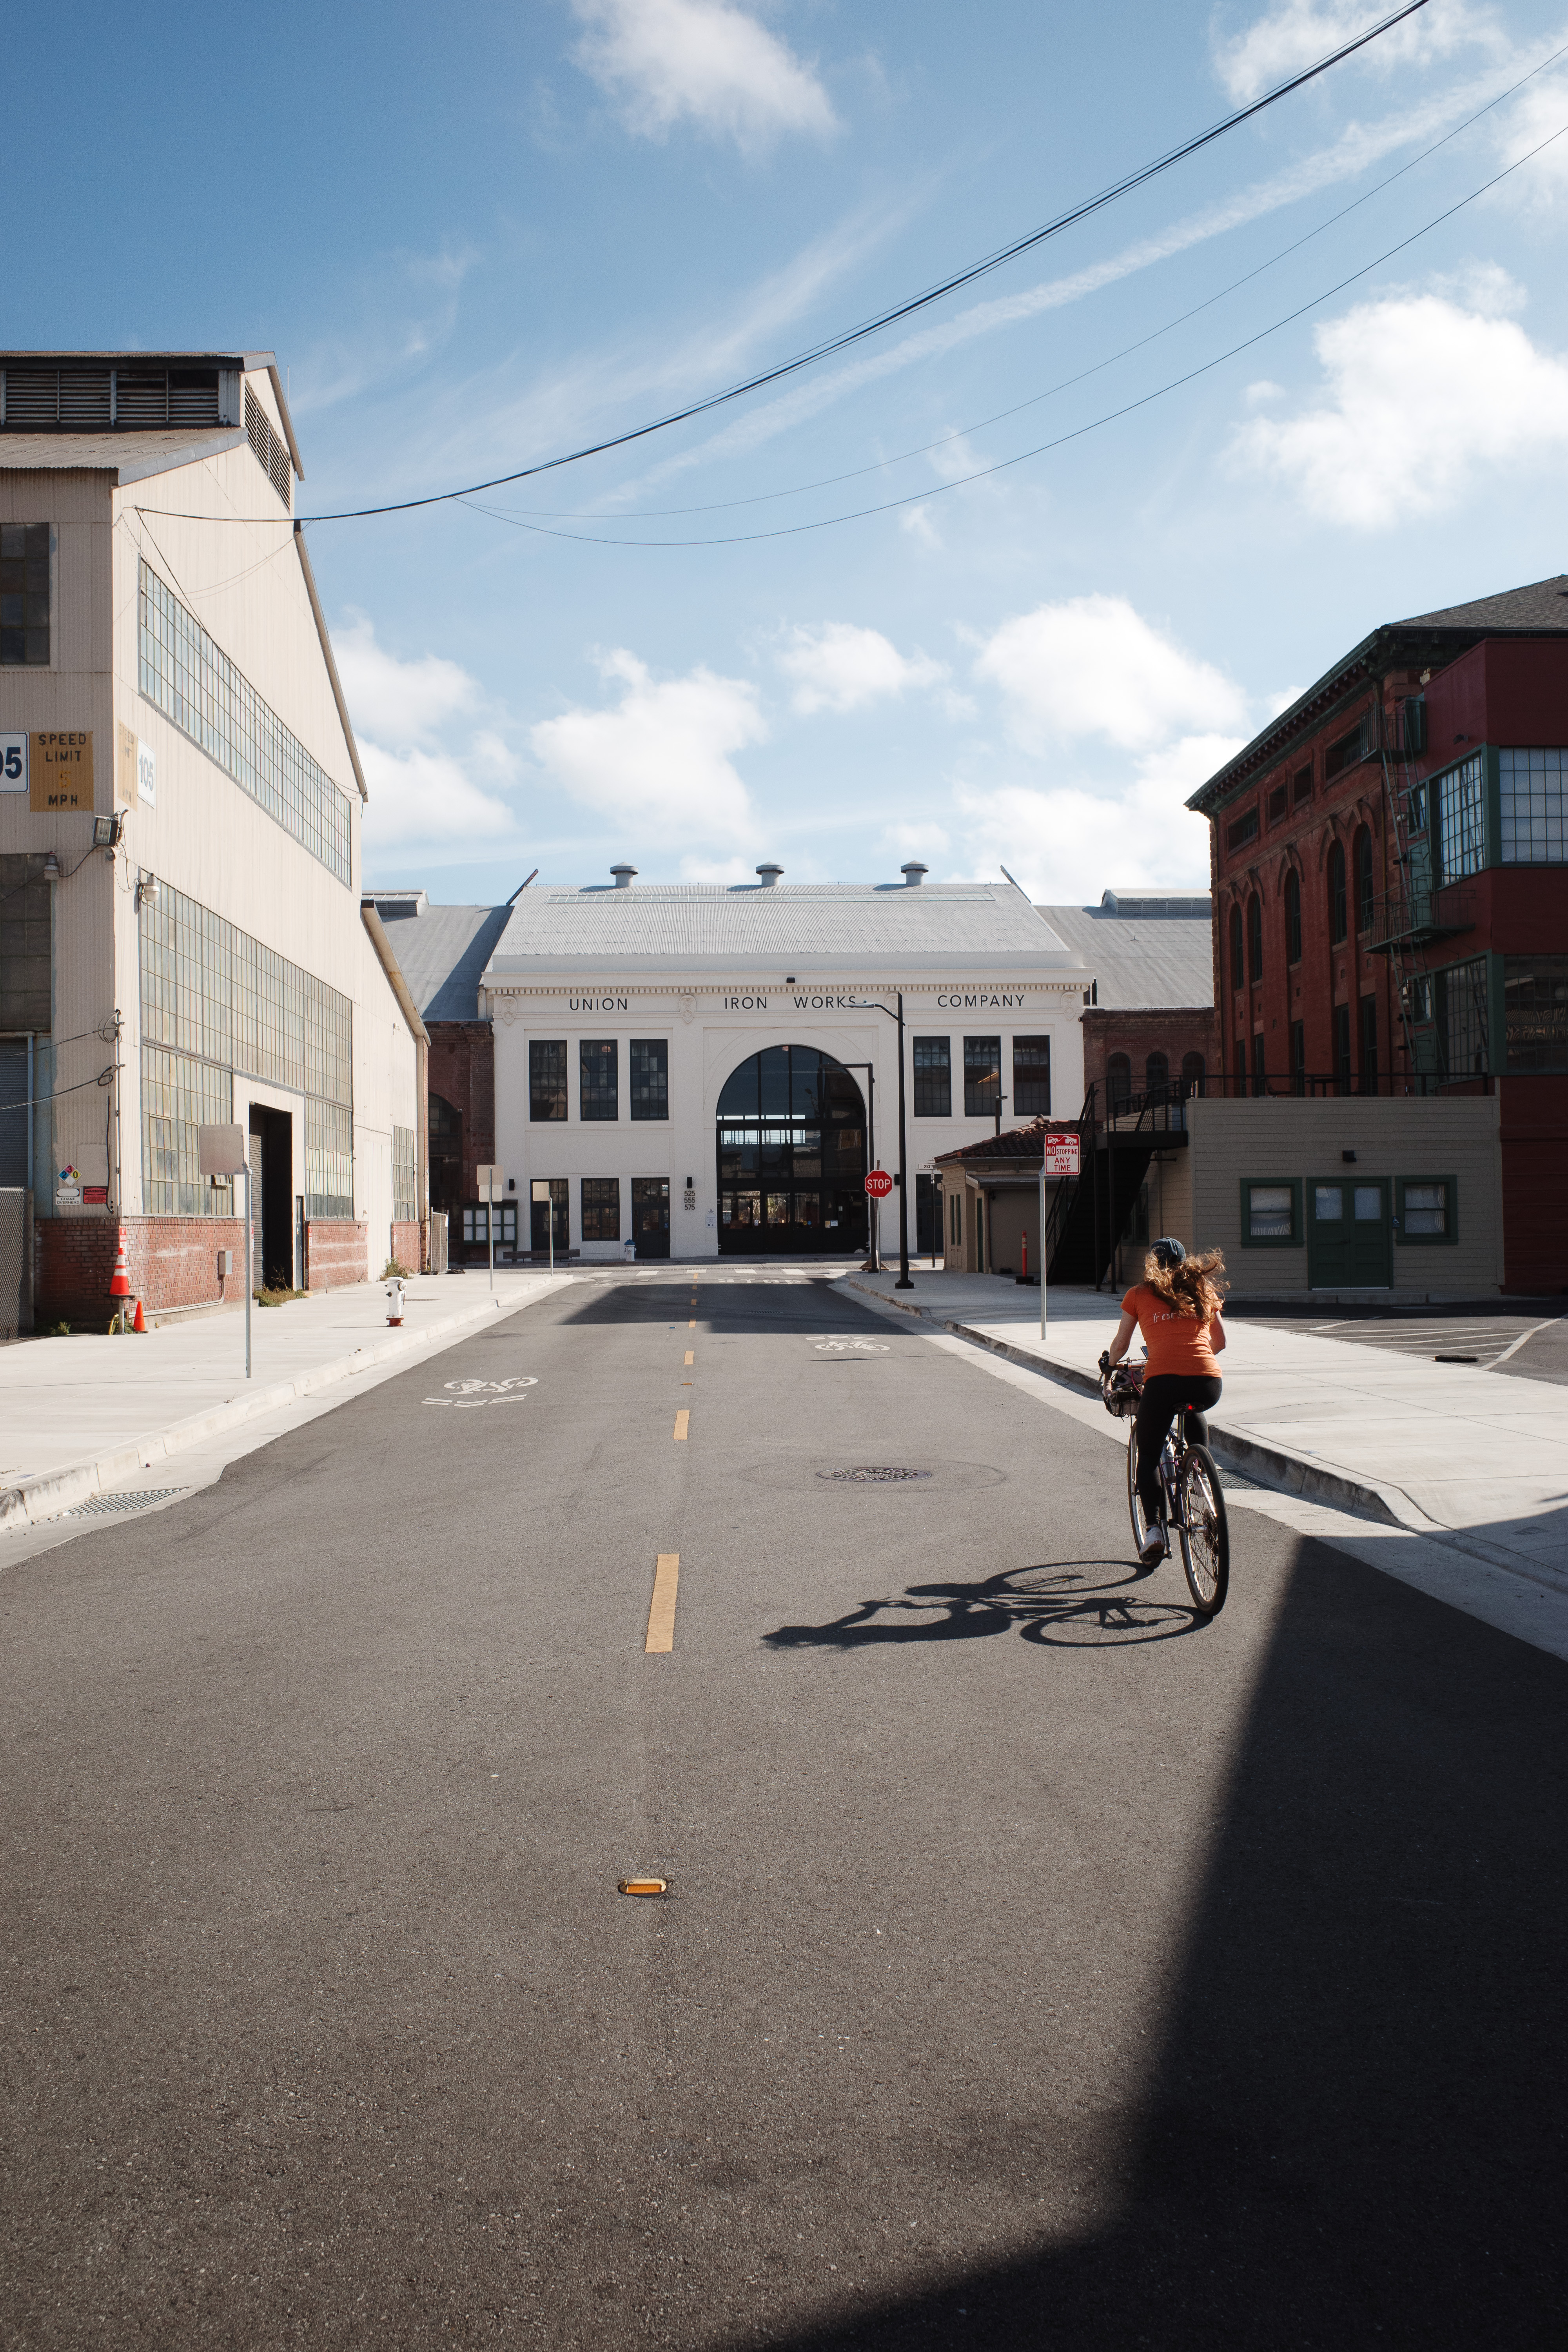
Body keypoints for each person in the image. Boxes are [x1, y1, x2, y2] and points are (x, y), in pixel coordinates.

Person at [1102, 1238, 1227, 1566]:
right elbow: (1221, 1342)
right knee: (1193, 1406)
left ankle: (1155, 1531)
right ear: (1186, 1262)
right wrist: (1192, 1359)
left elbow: (1121, 1343)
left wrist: (1111, 1365)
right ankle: (1202, 1477)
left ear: (1151, 1264)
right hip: (1209, 1382)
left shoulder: (1138, 1294)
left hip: (1163, 1381)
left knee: (1147, 1457)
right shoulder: (1202, 1291)